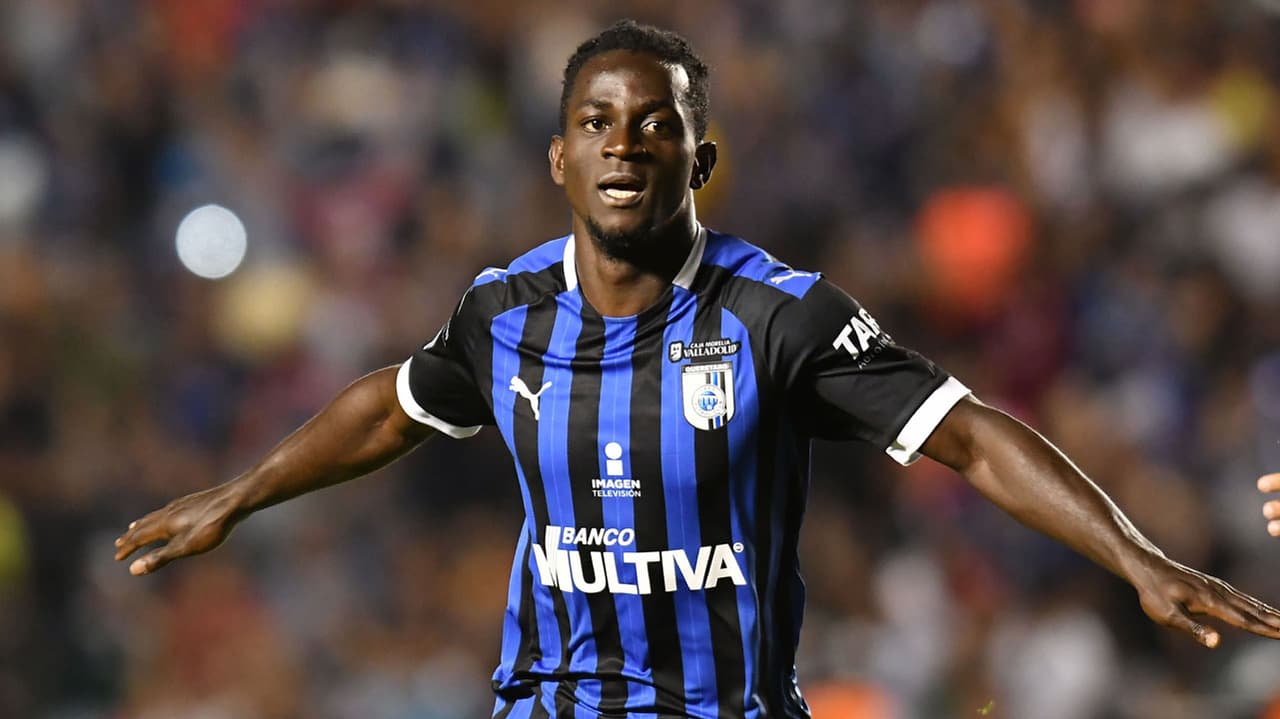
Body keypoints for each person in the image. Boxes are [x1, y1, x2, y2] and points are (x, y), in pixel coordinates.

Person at [115, 19, 1280, 719]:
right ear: (558, 156)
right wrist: (242, 492)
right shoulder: (503, 313)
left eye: (655, 122)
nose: (624, 142)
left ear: (699, 157)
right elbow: (395, 406)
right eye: (596, 120)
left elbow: (966, 433)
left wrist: (1134, 555)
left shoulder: (778, 317)